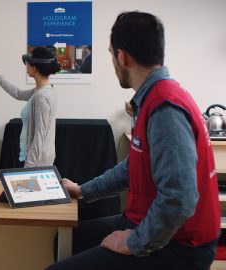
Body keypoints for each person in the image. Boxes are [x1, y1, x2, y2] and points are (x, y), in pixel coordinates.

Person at [46, 11, 220, 270]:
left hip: (179, 247)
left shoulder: (164, 108)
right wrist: (83, 191)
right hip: (150, 222)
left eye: (109, 53)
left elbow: (179, 198)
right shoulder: (153, 97)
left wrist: (134, 243)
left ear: (121, 57)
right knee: (69, 238)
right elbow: (133, 167)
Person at [0, 47, 60, 167]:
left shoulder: (41, 96)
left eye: (27, 63)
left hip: (36, 161)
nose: (26, 66)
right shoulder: (44, 89)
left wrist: (29, 166)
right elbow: (18, 94)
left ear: (34, 68)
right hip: (39, 157)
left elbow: (39, 135)